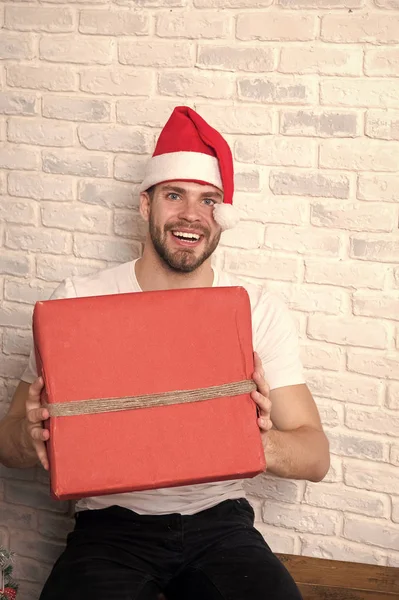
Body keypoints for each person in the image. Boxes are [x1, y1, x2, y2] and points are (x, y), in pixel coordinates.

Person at [0, 106, 330, 600]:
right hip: (110, 529)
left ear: (223, 217)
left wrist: (256, 443)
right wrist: (30, 438)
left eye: (209, 200)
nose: (191, 214)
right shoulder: (75, 301)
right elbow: (7, 445)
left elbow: (316, 455)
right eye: (174, 195)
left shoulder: (257, 310)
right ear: (145, 205)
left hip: (221, 527)